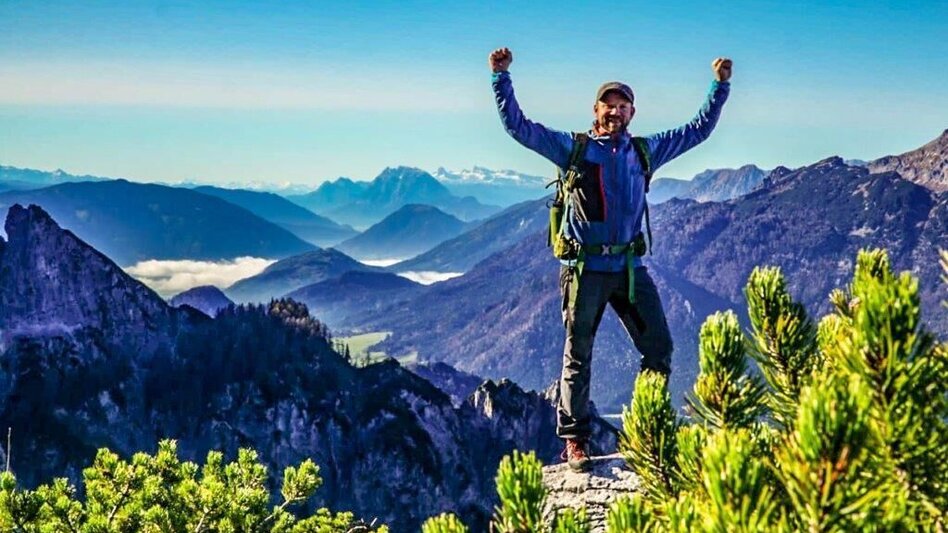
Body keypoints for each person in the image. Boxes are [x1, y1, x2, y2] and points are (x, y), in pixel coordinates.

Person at [488, 47, 732, 471]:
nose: (615, 111)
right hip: (585, 271)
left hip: (628, 270)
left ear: (632, 112)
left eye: (622, 106)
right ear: (596, 110)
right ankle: (575, 441)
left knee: (659, 347)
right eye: (608, 105)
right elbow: (519, 127)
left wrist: (720, 86)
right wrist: (500, 77)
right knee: (578, 354)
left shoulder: (645, 151)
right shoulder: (574, 149)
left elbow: (698, 131)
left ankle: (645, 431)